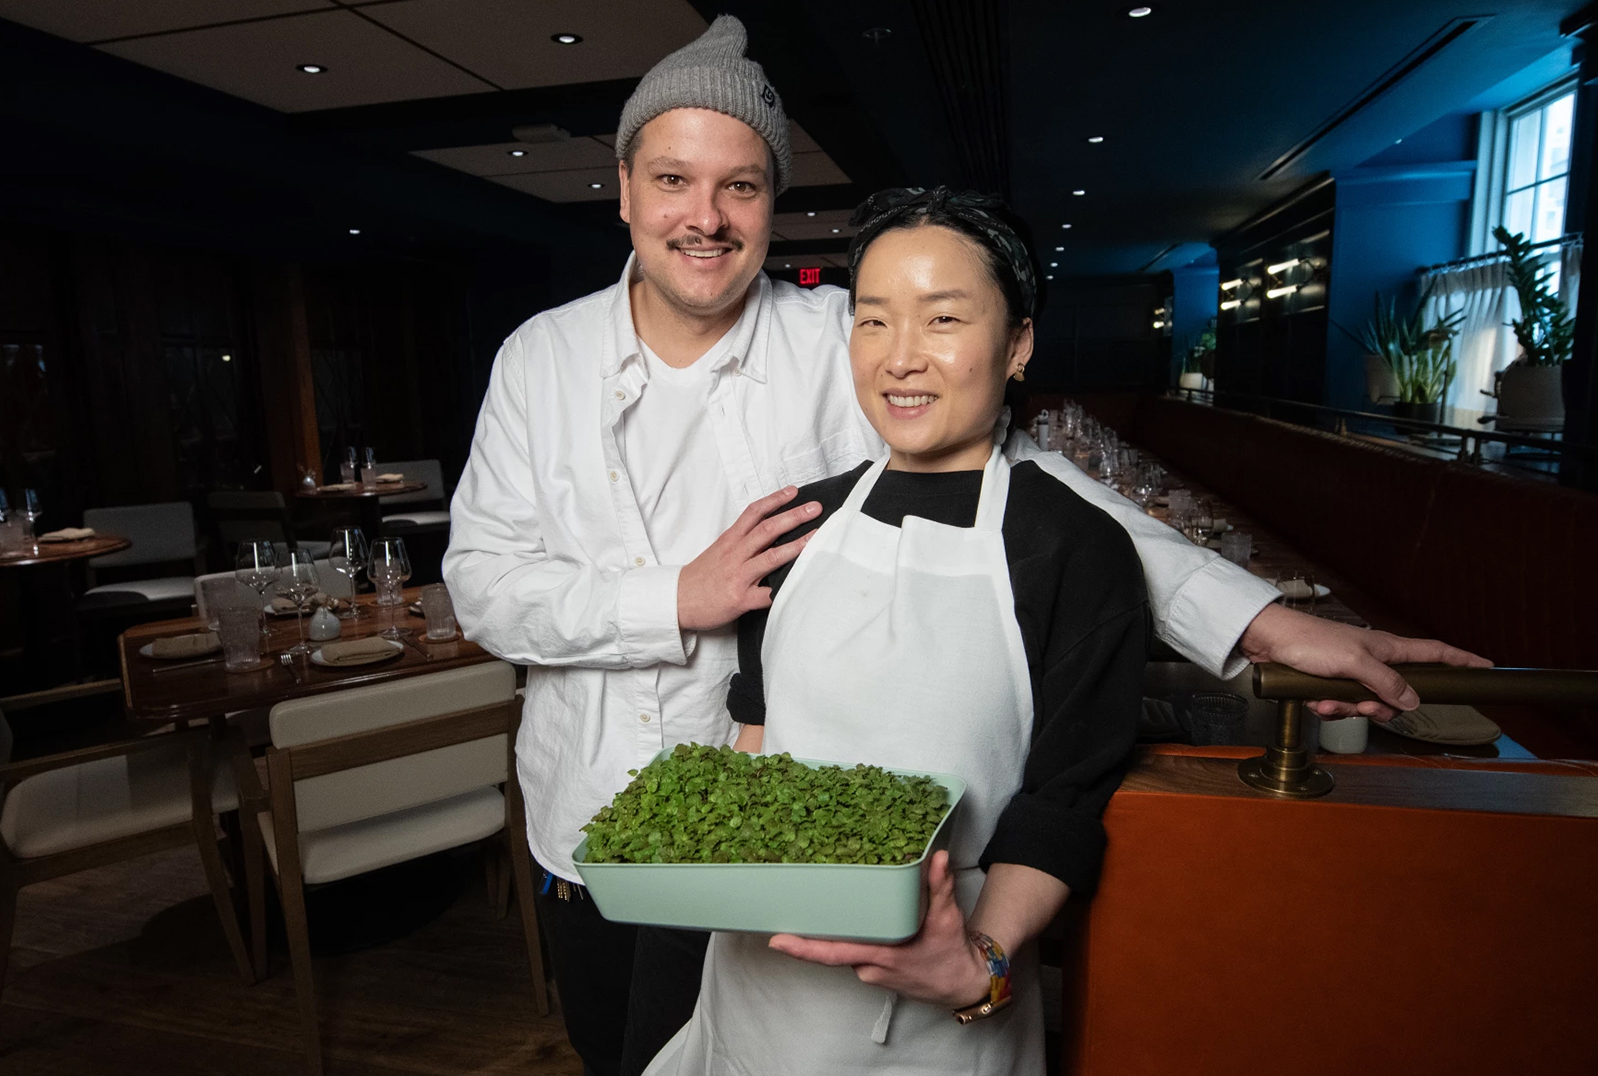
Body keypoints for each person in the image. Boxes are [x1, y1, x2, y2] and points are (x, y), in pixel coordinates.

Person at [442, 16, 1487, 1076]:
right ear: (624, 189)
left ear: (772, 202)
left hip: (802, 840)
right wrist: (672, 597)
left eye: (740, 187)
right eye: (672, 180)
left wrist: (1256, 620)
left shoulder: (844, 334)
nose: (704, 218)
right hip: (593, 818)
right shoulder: (539, 358)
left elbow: (1030, 483)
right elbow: (481, 585)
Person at [645, 184, 1139, 1076]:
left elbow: (1062, 806)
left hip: (937, 1022)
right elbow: (756, 740)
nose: (901, 358)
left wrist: (979, 967)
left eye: (942, 319)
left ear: (1018, 343)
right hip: (754, 995)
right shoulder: (798, 523)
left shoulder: (1075, 548)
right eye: (872, 321)